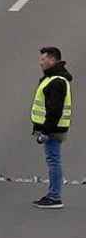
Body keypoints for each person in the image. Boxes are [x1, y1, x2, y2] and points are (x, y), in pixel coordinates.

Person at [32, 47, 72, 209]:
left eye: (43, 59)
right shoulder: (54, 78)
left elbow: (54, 110)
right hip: (54, 128)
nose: (40, 63)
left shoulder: (56, 81)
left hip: (53, 130)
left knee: (53, 161)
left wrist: (46, 132)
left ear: (53, 60)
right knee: (53, 160)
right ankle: (53, 194)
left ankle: (54, 196)